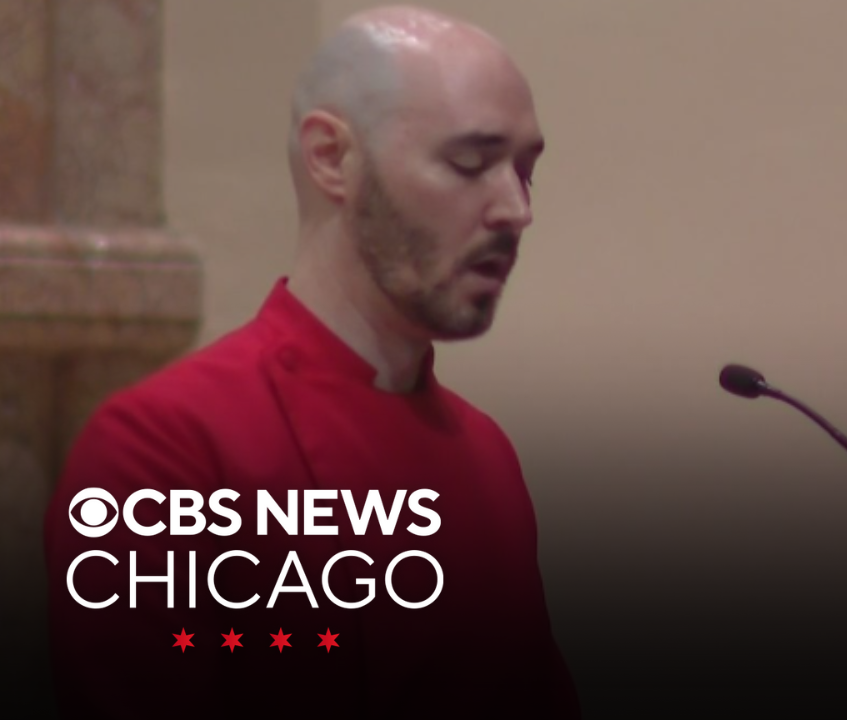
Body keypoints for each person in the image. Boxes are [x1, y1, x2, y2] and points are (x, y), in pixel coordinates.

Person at [43, 6, 578, 717]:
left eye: (525, 170)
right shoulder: (162, 450)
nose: (515, 209)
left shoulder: (488, 456)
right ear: (332, 158)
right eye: (470, 164)